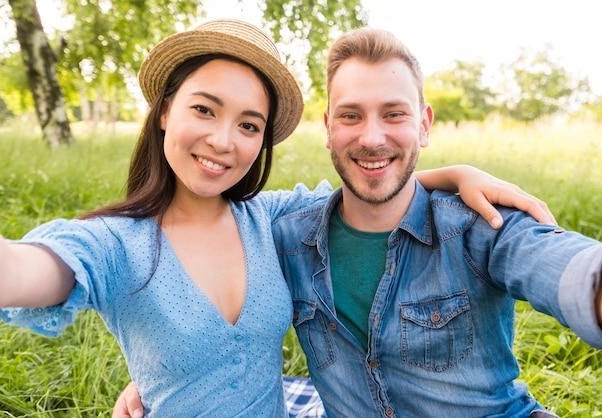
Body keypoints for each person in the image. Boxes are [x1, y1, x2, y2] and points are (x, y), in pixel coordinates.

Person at [0, 20, 553, 418]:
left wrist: (452, 173)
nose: (223, 141)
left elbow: (367, 186)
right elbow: (10, 267)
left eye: (249, 125)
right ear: (163, 115)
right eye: (204, 109)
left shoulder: (271, 219)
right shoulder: (113, 244)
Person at [114, 27, 602, 418]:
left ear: (424, 124)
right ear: (328, 127)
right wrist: (163, 370)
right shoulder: (284, 233)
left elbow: (567, 267)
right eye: (351, 116)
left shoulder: (480, 227)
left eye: (394, 114)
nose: (372, 138)